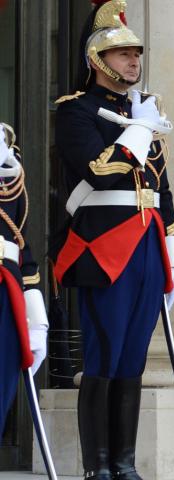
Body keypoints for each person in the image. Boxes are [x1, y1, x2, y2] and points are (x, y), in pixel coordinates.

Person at [52, 1, 174, 478]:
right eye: (123, 54)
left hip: (147, 246)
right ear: (97, 60)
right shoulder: (76, 111)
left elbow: (161, 191)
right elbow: (99, 173)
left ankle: (124, 464)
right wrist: (140, 130)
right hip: (103, 245)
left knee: (133, 359)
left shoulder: (141, 113)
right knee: (104, 353)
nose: (133, 62)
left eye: (136, 54)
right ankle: (97, 467)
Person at [0, 123, 48, 434]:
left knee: (2, 380)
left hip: (7, 283)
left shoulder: (9, 156)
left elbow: (20, 241)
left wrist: (36, 314)